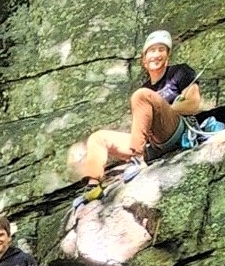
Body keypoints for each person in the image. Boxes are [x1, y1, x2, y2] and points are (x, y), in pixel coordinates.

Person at [72, 30, 202, 204]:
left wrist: (164, 110)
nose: (156, 54)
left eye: (161, 50)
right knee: (98, 138)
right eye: (151, 51)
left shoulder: (179, 73)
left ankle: (137, 160)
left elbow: (193, 104)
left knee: (141, 96)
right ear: (144, 60)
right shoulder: (145, 88)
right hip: (152, 142)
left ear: (167, 56)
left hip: (174, 130)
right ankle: (93, 186)